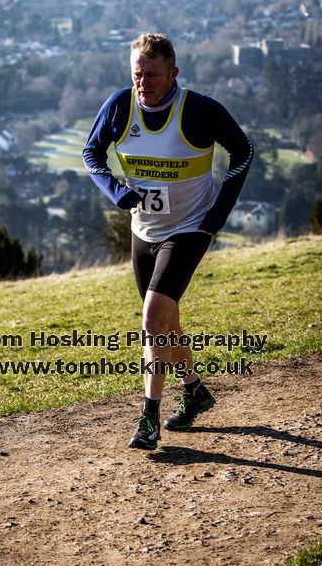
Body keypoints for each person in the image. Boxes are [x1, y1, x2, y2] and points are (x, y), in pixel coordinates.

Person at [82, 32, 254, 450]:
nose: (144, 83)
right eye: (137, 75)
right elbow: (91, 153)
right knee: (165, 321)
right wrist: (116, 191)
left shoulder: (198, 110)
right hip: (144, 230)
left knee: (151, 317)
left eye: (153, 75)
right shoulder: (120, 105)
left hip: (190, 228)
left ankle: (148, 418)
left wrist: (216, 217)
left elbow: (243, 151)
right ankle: (194, 389)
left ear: (173, 72)